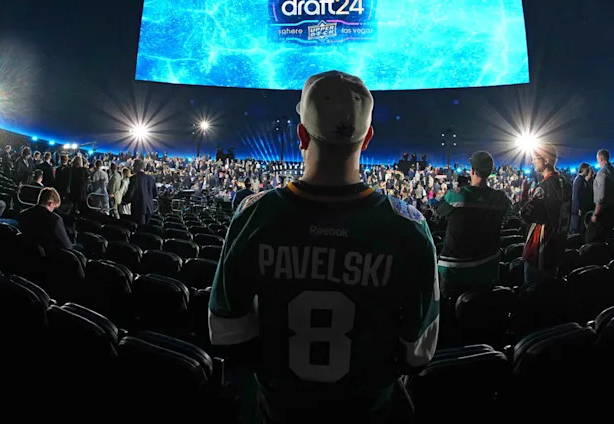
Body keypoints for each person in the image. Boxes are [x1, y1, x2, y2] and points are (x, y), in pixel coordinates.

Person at [208, 71, 439, 423]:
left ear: (301, 134)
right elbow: (418, 355)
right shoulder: (408, 227)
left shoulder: (255, 216)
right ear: (367, 139)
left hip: (278, 411)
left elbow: (226, 334)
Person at [434, 151, 511, 296]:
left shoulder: (457, 195)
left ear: (473, 170)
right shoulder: (501, 198)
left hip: (455, 270)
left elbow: (439, 211)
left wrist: (458, 189)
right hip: (487, 268)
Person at [520, 143, 571, 284]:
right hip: (558, 246)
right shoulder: (566, 183)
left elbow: (525, 215)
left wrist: (524, 194)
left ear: (546, 160)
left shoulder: (543, 187)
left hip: (541, 250)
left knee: (533, 293)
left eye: (535, 158)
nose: (533, 161)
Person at [589, 149, 614, 243]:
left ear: (600, 159)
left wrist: (595, 214)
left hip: (604, 212)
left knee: (596, 238)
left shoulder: (602, 173)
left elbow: (600, 197)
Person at [124, 159, 157, 224]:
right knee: (146, 230)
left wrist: (123, 201)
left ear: (136, 167)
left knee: (139, 230)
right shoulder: (151, 178)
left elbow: (130, 194)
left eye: (133, 166)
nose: (132, 168)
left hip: (138, 209)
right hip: (149, 209)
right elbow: (155, 194)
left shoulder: (134, 178)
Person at [570, 163, 594, 235]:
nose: (589, 170)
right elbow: (576, 195)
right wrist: (578, 208)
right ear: (583, 169)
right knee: (578, 227)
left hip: (581, 208)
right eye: (588, 169)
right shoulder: (579, 180)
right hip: (578, 210)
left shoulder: (582, 180)